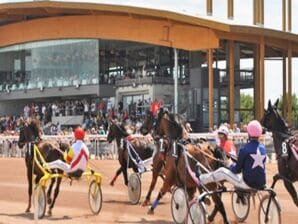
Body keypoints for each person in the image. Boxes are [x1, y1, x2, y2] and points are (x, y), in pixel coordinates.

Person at [198, 120, 266, 190]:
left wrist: (230, 164)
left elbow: (237, 170)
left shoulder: (244, 149)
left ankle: (201, 179)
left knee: (222, 171)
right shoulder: (263, 148)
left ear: (248, 133)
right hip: (261, 183)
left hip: (247, 184)